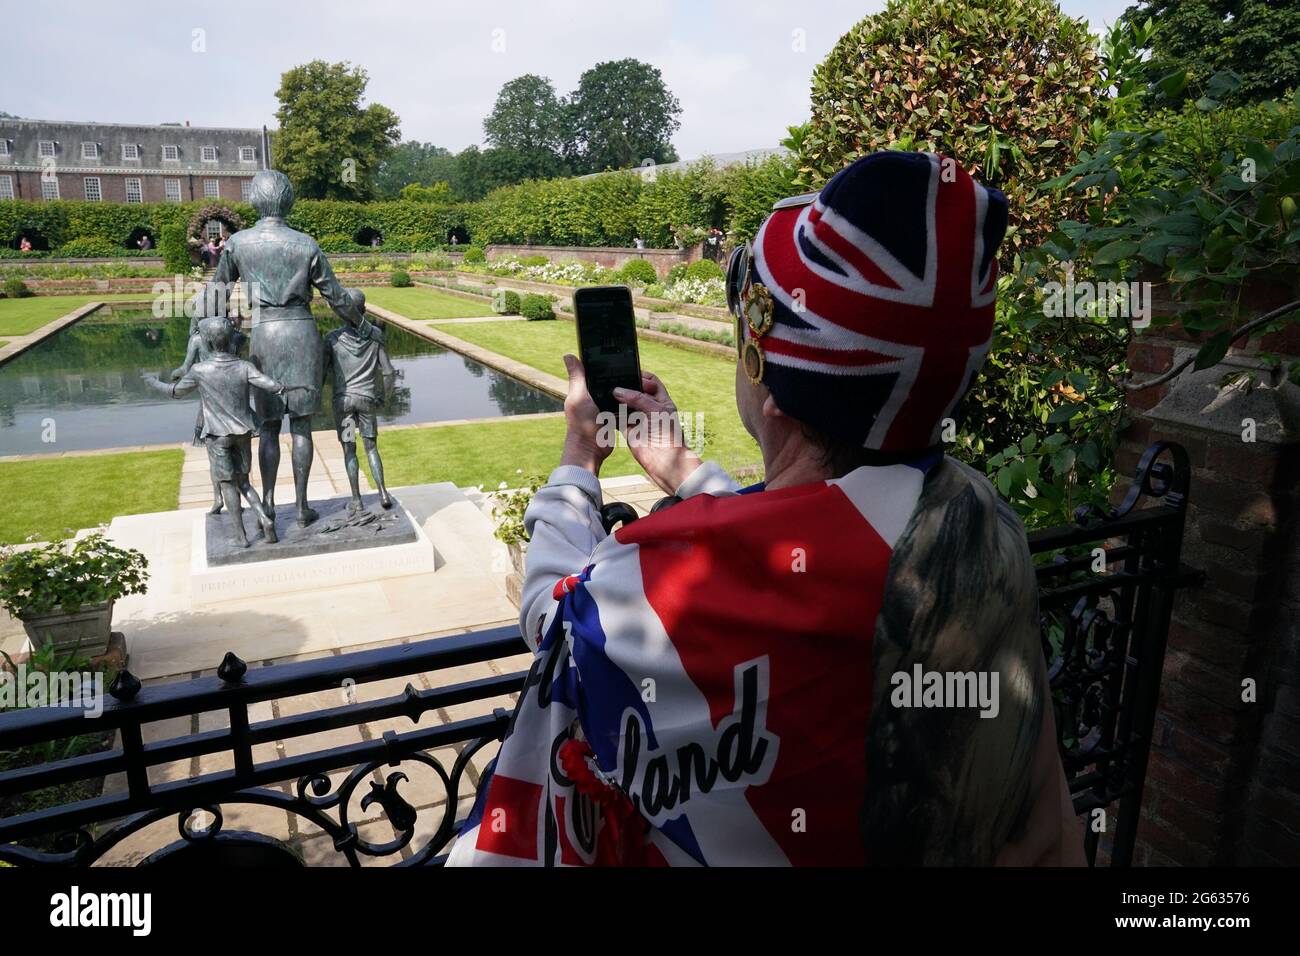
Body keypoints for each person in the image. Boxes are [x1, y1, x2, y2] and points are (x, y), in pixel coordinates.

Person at [448, 151, 1085, 867]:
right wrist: (687, 474)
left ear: (769, 383)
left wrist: (578, 457)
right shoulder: (982, 519)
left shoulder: (661, 584)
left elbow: (556, 614)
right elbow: (823, 545)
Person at [209, 169, 371, 527]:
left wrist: (216, 337)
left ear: (255, 200)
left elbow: (216, 293)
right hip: (301, 334)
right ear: (289, 200)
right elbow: (337, 297)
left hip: (265, 333)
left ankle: (266, 503)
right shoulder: (305, 243)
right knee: (301, 426)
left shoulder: (238, 243)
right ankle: (300, 508)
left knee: (268, 426)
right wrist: (364, 326)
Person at [142, 317, 300, 549]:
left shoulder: (200, 370)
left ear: (207, 342)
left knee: (228, 485)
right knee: (244, 482)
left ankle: (241, 536)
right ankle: (265, 518)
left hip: (218, 436)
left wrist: (153, 382)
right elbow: (271, 385)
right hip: (243, 433)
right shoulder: (244, 366)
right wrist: (287, 386)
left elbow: (174, 392)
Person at [323, 288, 396, 513]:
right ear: (363, 309)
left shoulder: (332, 339)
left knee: (349, 449)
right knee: (371, 447)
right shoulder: (375, 335)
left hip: (343, 403)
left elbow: (321, 373)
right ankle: (382, 491)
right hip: (366, 400)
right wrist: (384, 397)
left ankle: (357, 499)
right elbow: (389, 373)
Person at [172, 313, 247, 512]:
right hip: (234, 401)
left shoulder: (197, 339)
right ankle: (237, 498)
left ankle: (218, 498)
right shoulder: (237, 337)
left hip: (210, 403)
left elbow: (186, 367)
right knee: (238, 457)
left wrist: (174, 377)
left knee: (215, 456)